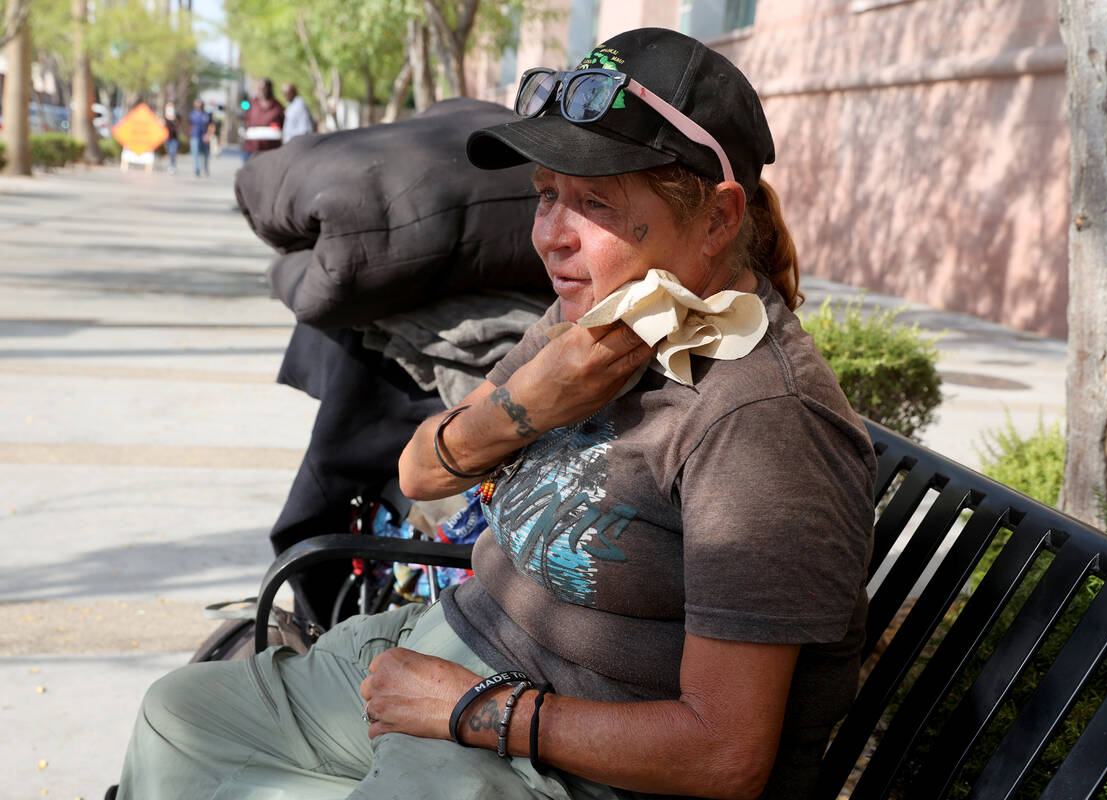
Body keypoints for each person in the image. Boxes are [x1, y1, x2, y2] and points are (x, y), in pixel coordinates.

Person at [113, 27, 875, 800]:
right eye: (547, 194)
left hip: (564, 759)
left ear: (716, 220)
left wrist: (470, 709)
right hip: (454, 650)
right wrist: (528, 404)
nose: (551, 237)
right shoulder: (587, 320)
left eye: (594, 202)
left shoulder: (763, 422)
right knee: (180, 716)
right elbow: (417, 471)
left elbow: (725, 754)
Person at [241, 78, 285, 163]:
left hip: (271, 150)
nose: (262, 91)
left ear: (269, 89)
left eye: (264, 88)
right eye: (260, 88)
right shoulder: (252, 104)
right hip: (252, 148)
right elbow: (246, 120)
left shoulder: (277, 106)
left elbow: (283, 124)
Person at [187, 99, 214, 177]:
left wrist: (208, 135)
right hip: (195, 136)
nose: (198, 105)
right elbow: (189, 125)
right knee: (195, 153)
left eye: (199, 104)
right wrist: (189, 136)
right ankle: (197, 170)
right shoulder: (192, 114)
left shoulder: (207, 114)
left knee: (205, 154)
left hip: (205, 136)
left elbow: (211, 126)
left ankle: (205, 168)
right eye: (196, 104)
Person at [162, 103, 180, 175]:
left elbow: (178, 126)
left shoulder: (176, 117)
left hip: (174, 138)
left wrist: (174, 118)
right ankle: (172, 163)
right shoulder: (164, 117)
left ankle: (172, 166)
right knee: (169, 152)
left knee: (173, 151)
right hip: (166, 138)